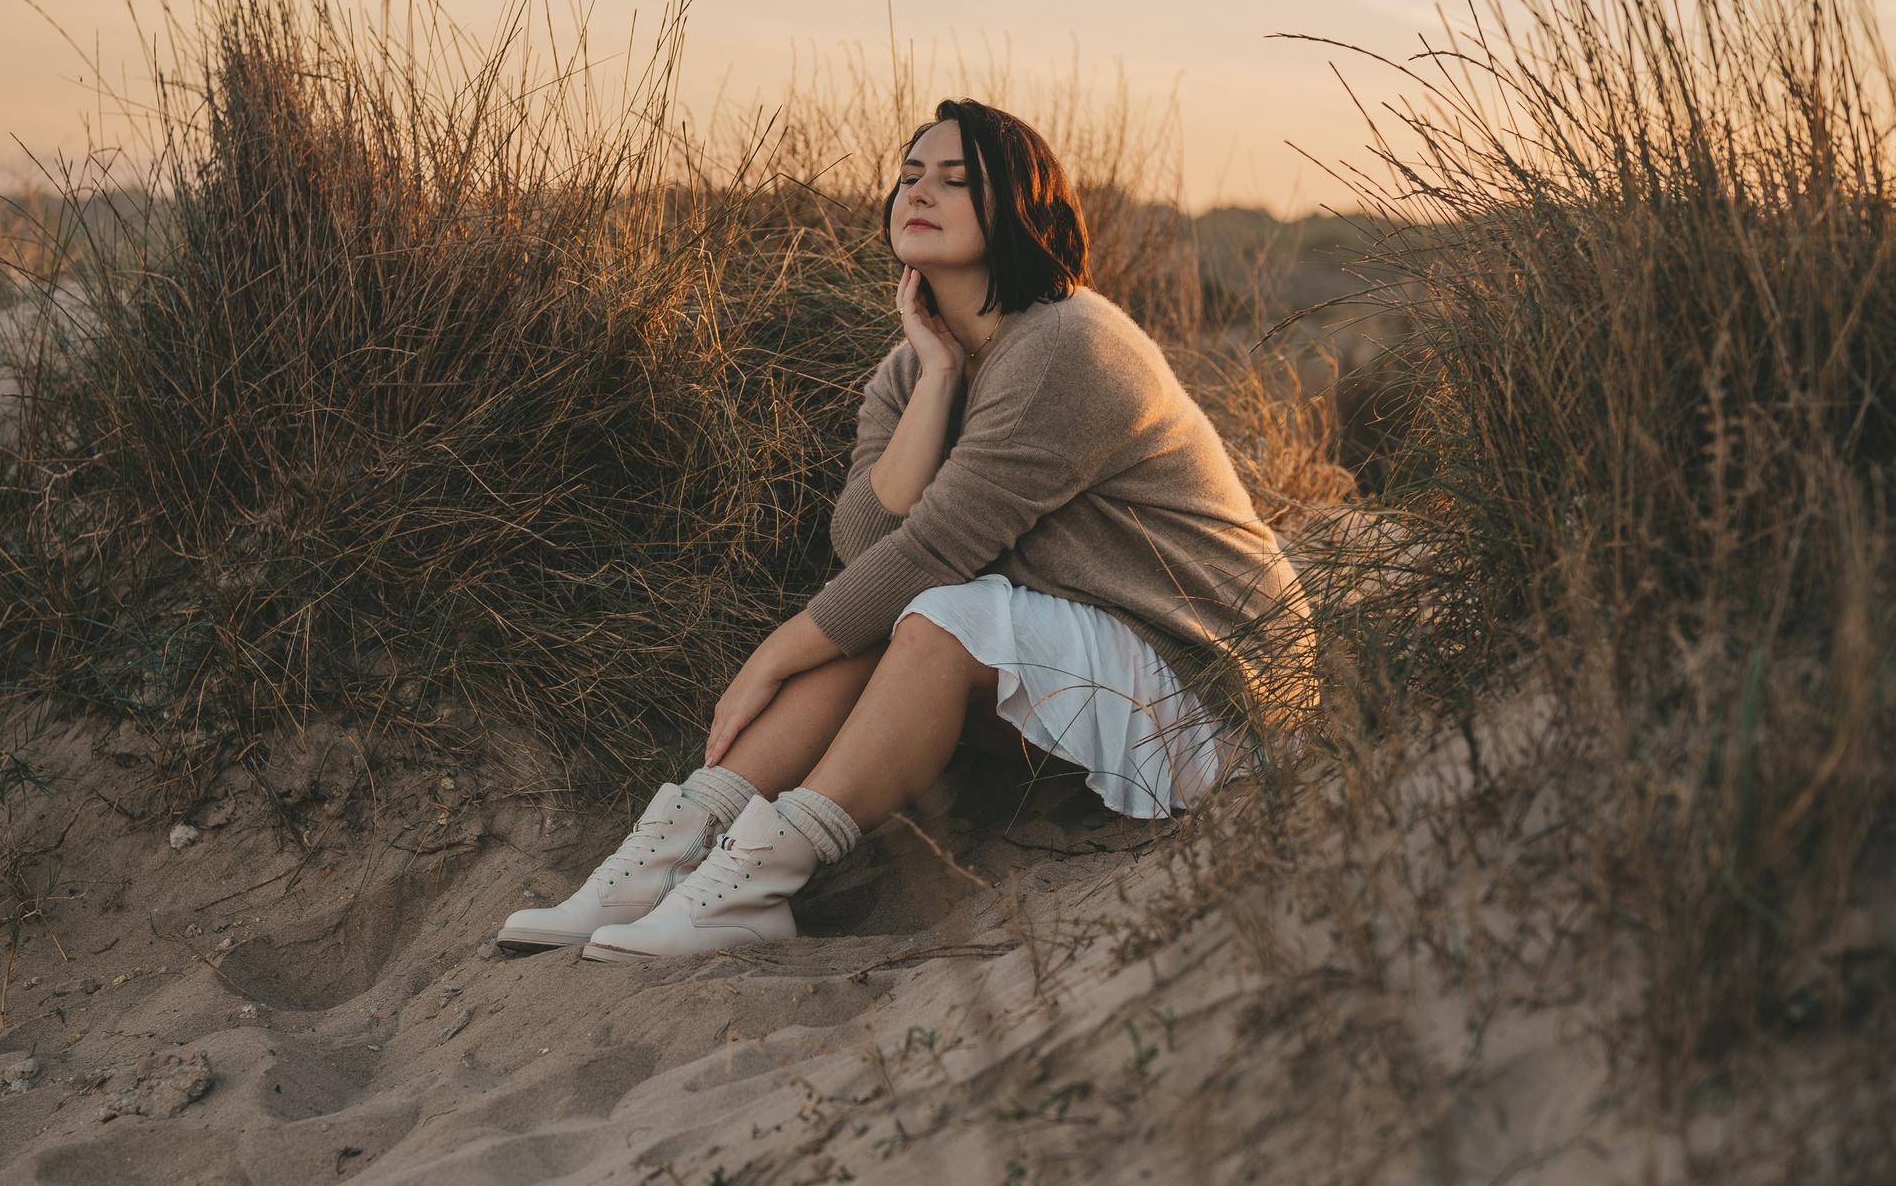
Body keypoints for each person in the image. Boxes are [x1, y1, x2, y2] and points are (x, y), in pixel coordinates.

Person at [497, 98, 1302, 962]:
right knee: (879, 619)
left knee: (932, 617)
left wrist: (770, 655)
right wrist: (938, 375)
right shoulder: (912, 362)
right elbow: (864, 544)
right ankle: (662, 858)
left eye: (957, 180)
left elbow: (929, 556)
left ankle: (754, 888)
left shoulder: (1067, 344)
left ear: (1020, 208)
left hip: (1214, 683)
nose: (921, 192)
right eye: (910, 175)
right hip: (1087, 664)